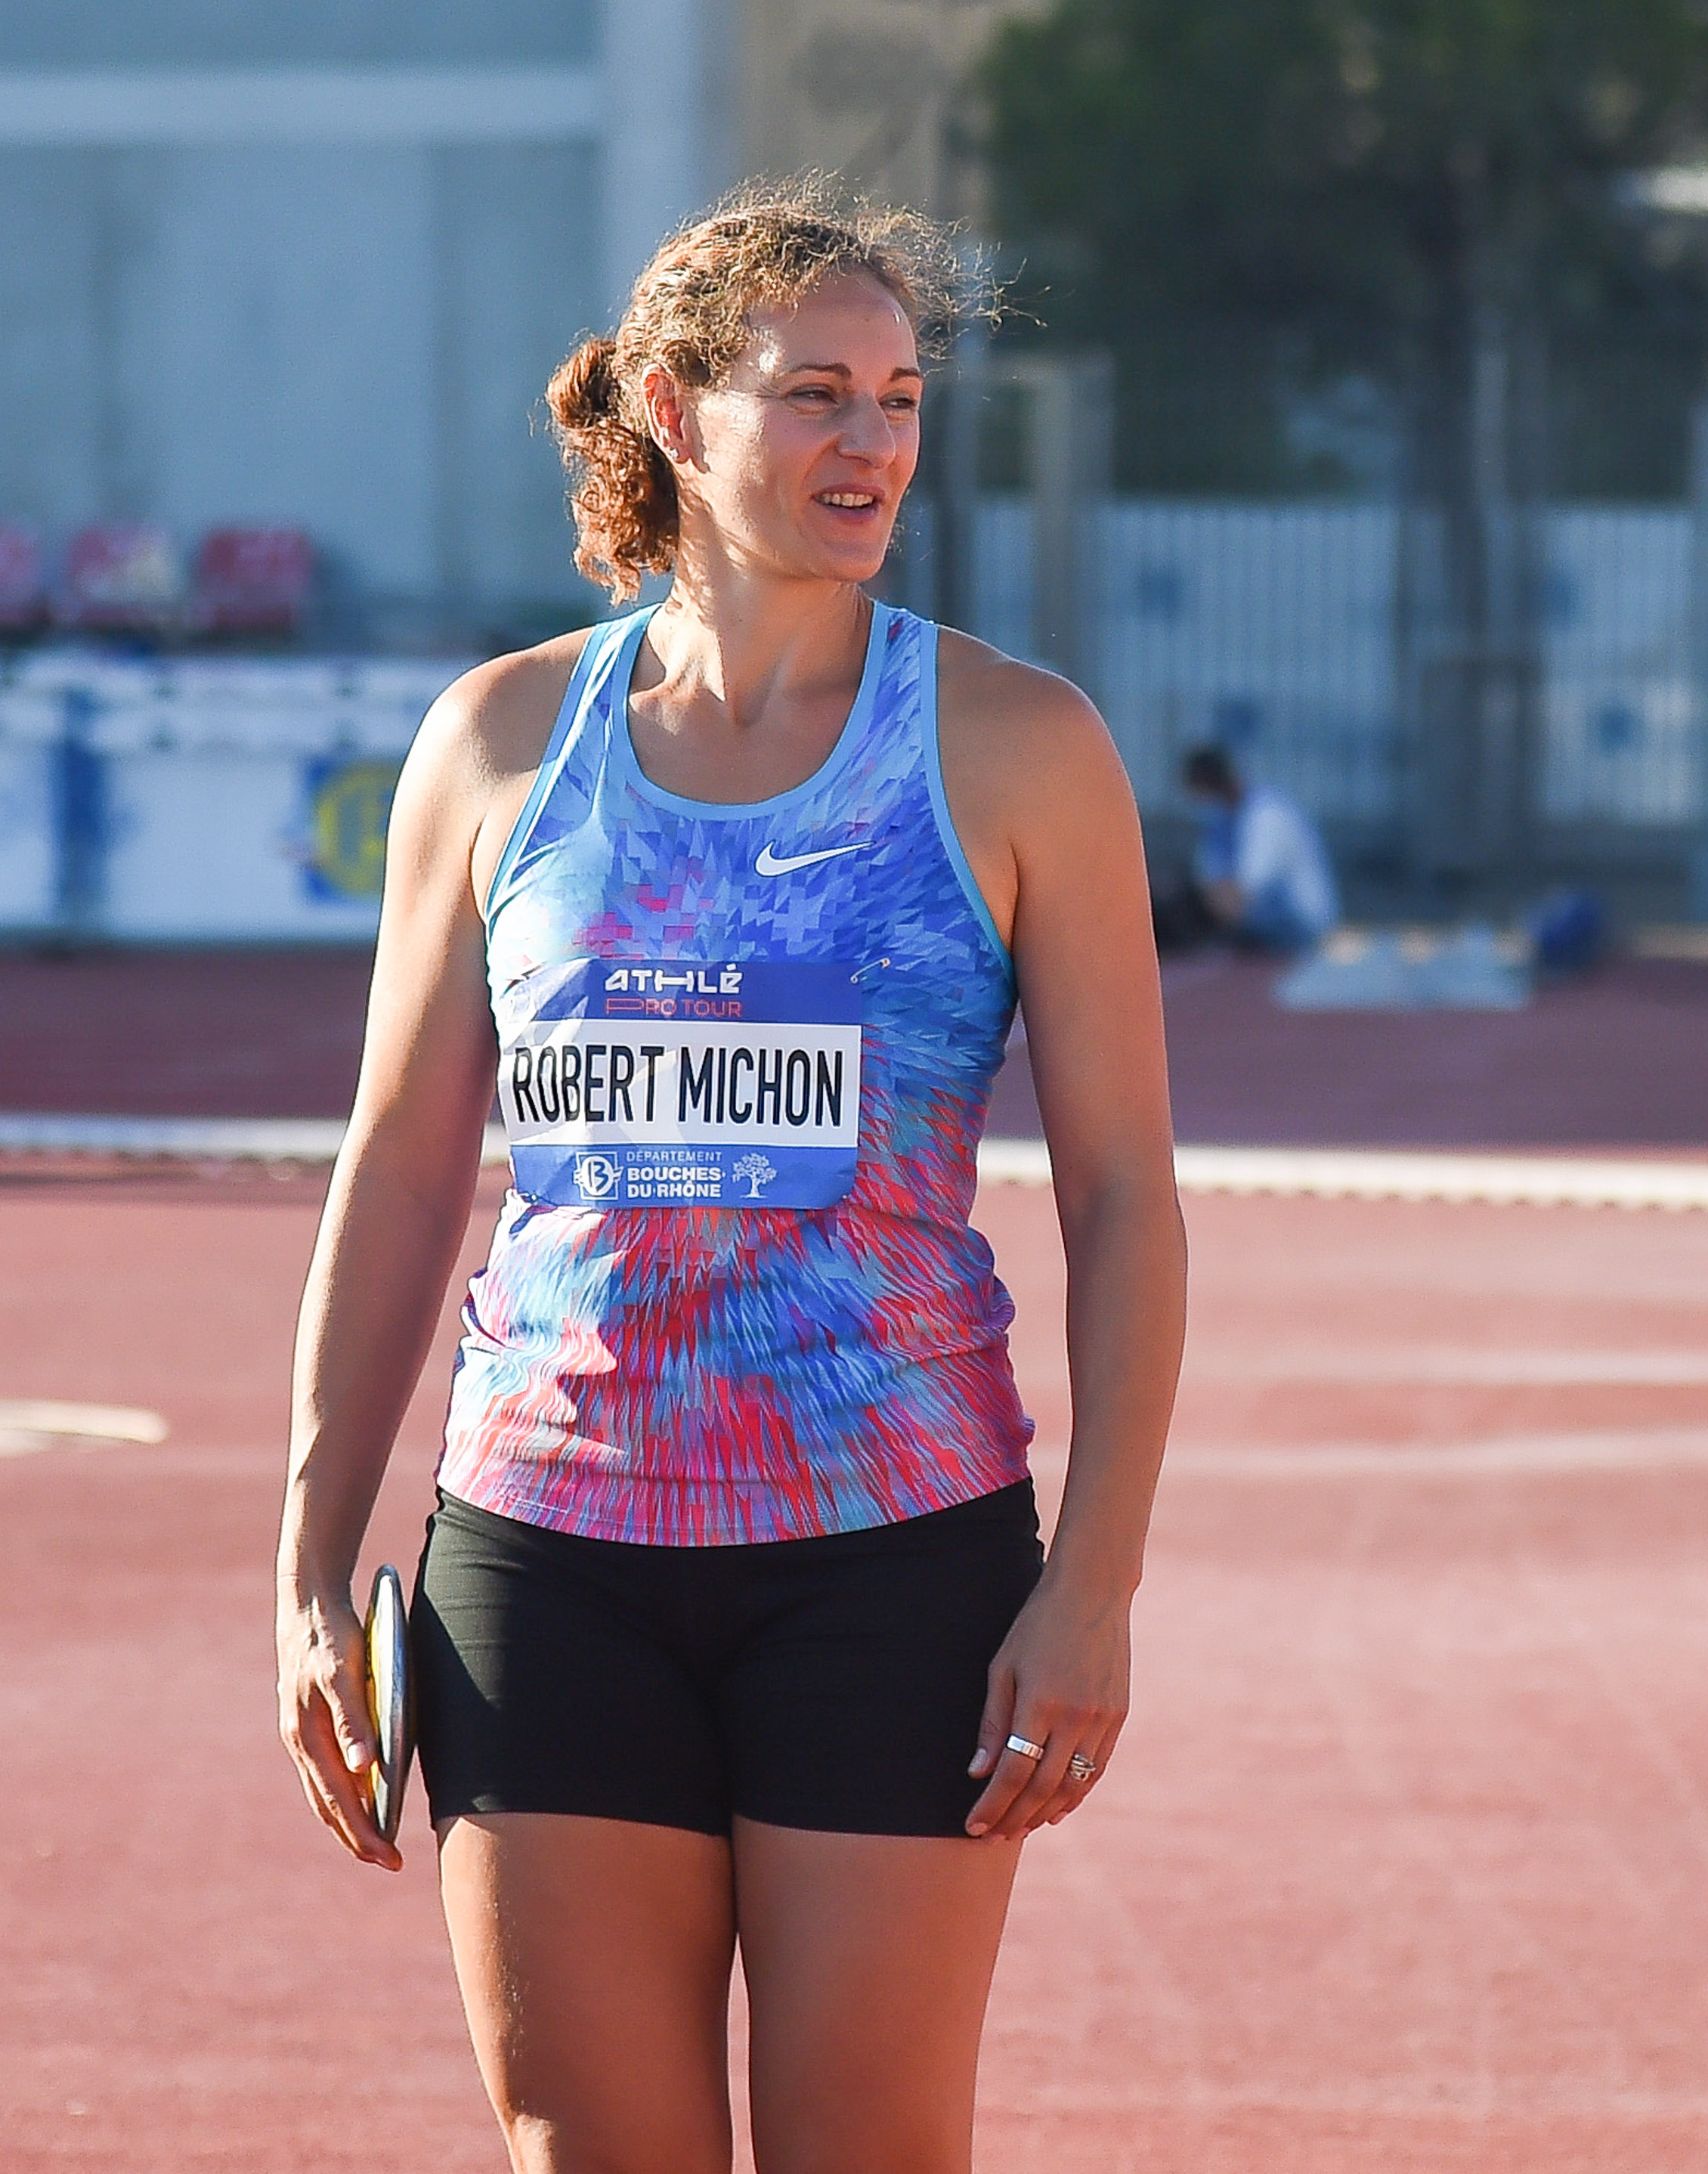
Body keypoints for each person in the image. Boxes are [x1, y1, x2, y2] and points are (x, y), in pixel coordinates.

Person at [271, 180, 1186, 2172]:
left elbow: (1122, 1187)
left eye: (899, 397)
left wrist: (1093, 1583)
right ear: (679, 416)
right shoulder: (503, 741)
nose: (871, 444)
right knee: (587, 2147)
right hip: (547, 1552)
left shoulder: (1018, 747)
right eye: (816, 397)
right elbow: (405, 1165)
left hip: (893, 1556)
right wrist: (306, 1562)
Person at [1159, 742, 1337, 953]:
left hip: (1300, 925)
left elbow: (1238, 895)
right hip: (1260, 921)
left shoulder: (1267, 815)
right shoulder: (1220, 822)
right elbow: (1207, 881)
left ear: (1208, 783)